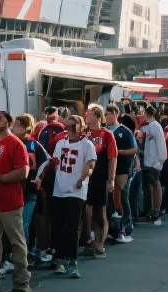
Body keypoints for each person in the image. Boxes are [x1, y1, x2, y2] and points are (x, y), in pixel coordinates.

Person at [36, 114, 97, 278]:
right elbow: (54, 163)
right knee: (57, 227)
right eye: (68, 126)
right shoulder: (60, 143)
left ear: (81, 127)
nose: (70, 129)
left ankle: (72, 261)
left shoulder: (87, 145)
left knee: (71, 228)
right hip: (59, 190)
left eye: (73, 126)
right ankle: (60, 259)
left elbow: (90, 164)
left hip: (76, 192)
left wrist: (82, 178)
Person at [0, 111, 32, 292]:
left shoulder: (15, 144)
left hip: (11, 202)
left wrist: (0, 178)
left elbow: (23, 172)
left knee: (17, 242)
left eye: (0, 118)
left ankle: (21, 281)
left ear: (9, 122)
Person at [13, 113, 50, 263]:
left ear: (25, 128)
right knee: (17, 224)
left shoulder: (33, 144)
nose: (14, 128)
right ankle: (21, 252)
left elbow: (46, 159)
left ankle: (27, 253)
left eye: (17, 125)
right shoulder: (13, 143)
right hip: (15, 188)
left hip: (29, 189)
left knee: (23, 222)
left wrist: (39, 177)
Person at [82, 105, 117, 259]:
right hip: (84, 179)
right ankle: (88, 241)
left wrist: (111, 179)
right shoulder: (83, 134)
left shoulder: (107, 134)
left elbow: (112, 158)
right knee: (87, 210)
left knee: (100, 212)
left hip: (100, 177)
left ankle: (100, 244)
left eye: (88, 114)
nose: (86, 117)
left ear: (97, 116)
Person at [105, 105, 136, 243]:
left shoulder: (125, 131)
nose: (105, 117)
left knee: (122, 198)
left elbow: (134, 150)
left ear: (113, 114)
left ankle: (126, 228)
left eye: (106, 114)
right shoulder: (103, 130)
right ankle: (112, 229)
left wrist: (119, 152)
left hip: (122, 169)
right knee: (109, 201)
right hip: (106, 170)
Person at [141, 106, 167, 226]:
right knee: (152, 185)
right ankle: (153, 210)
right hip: (150, 161)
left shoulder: (155, 126)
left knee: (156, 184)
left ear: (148, 114)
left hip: (155, 161)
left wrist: (159, 161)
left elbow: (160, 145)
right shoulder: (152, 126)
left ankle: (157, 211)